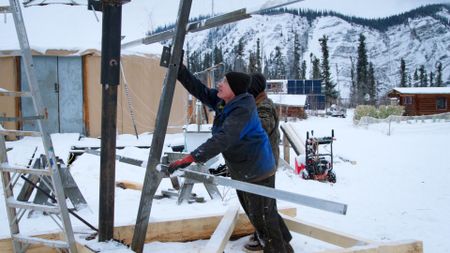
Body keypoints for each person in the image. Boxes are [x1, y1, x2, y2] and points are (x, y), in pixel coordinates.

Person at [169, 65, 293, 252]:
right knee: (259, 214)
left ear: (234, 89)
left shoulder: (244, 110)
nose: (219, 83)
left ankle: (279, 248)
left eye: (224, 81)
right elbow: (198, 89)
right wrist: (179, 68)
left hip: (258, 169)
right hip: (242, 168)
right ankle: (283, 239)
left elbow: (224, 137)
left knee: (263, 219)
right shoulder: (224, 102)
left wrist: (191, 157)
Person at [243, 73, 293, 252]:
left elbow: (262, 128)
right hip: (258, 163)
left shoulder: (263, 107)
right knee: (261, 205)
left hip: (263, 165)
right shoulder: (256, 104)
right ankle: (277, 236)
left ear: (254, 89)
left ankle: (278, 245)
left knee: (264, 208)